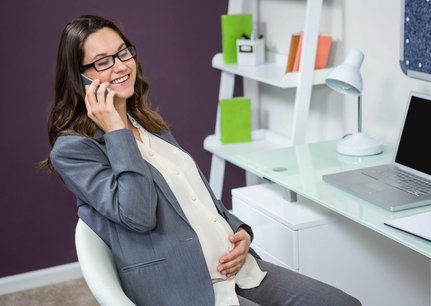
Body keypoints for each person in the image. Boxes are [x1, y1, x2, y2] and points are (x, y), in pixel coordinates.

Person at [40, 15, 361, 306]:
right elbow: (138, 215)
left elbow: (196, 196)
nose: (121, 66)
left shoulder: (149, 123)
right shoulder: (73, 150)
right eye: (102, 61)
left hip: (236, 266)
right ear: (79, 77)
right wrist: (115, 130)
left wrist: (240, 231)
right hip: (187, 285)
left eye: (124, 52)